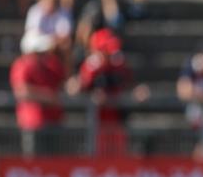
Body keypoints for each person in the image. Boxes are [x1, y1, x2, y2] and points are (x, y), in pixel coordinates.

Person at [70, 27, 148, 156]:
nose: (110, 53)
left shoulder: (118, 63)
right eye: (105, 50)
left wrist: (137, 91)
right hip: (97, 124)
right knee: (99, 158)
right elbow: (77, 89)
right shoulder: (91, 68)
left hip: (117, 121)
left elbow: (129, 84)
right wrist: (91, 96)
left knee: (118, 157)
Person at [10, 33, 66, 157]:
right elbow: (21, 91)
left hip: (54, 122)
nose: (44, 55)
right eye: (39, 53)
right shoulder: (23, 65)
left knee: (55, 164)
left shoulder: (51, 65)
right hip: (33, 124)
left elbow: (63, 83)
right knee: (35, 165)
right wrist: (48, 97)